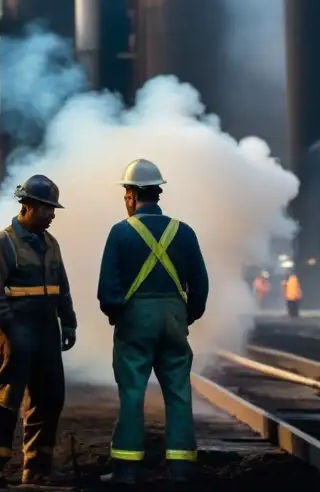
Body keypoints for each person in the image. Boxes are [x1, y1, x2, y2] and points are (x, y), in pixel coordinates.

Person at [96, 159, 208, 485]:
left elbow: (107, 291)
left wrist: (117, 313)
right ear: (158, 192)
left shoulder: (120, 233)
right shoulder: (184, 232)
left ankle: (127, 469)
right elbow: (199, 286)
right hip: (174, 319)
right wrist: (186, 315)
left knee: (132, 393)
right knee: (179, 393)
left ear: (131, 195)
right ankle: (182, 466)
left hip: (134, 322)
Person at [0, 174, 77, 487]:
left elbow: (62, 287)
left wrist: (69, 321)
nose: (52, 215)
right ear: (29, 206)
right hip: (16, 330)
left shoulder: (52, 244)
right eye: (48, 208)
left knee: (49, 398)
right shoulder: (1, 243)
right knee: (5, 397)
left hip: (47, 329)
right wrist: (10, 325)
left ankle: (36, 467)